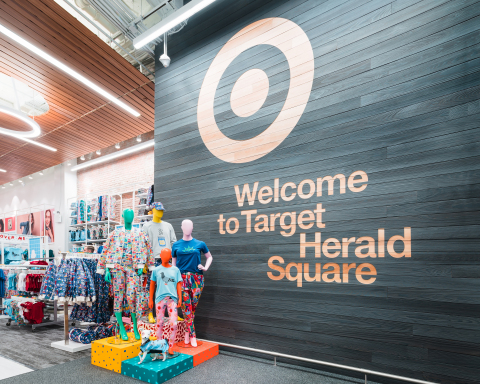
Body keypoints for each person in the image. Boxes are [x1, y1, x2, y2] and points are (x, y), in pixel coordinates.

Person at [149, 248, 182, 355]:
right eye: (163, 254)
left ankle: (171, 346)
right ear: (161, 256)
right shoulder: (156, 270)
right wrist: (150, 299)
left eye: (167, 255)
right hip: (159, 299)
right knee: (159, 323)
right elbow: (152, 285)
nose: (165, 257)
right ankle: (159, 345)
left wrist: (180, 298)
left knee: (173, 323)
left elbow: (178, 284)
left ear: (170, 256)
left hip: (172, 299)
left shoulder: (175, 270)